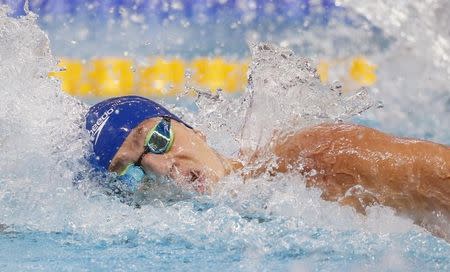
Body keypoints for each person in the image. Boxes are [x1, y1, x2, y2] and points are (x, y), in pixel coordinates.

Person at [86, 95, 450, 240]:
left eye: (158, 140)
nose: (161, 168)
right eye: (131, 174)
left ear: (193, 128)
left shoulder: (313, 159)